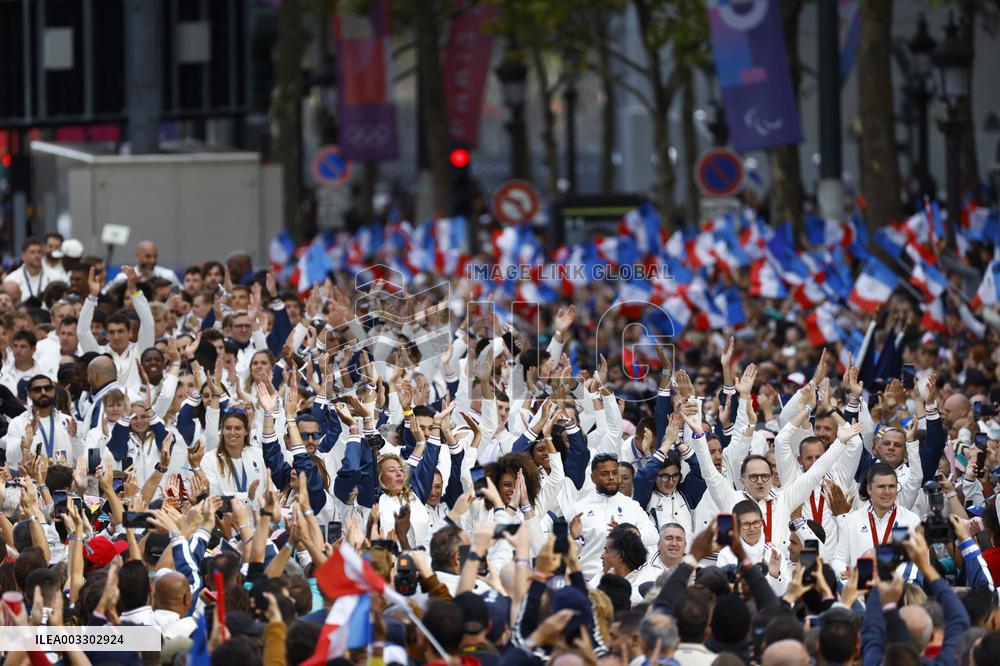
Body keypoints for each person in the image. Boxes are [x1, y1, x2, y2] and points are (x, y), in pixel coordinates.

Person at [77, 265, 154, 390]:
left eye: (121, 331)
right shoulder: (99, 354)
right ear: (106, 334)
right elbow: (82, 332)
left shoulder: (140, 351)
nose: (116, 336)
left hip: (137, 406)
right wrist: (92, 297)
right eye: (112, 332)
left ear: (130, 332)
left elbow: (148, 324)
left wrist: (134, 291)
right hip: (106, 407)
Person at [3, 238, 56, 304]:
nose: (37, 255)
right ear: (23, 256)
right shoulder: (11, 279)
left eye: (39, 252)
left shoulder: (55, 277)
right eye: (32, 252)